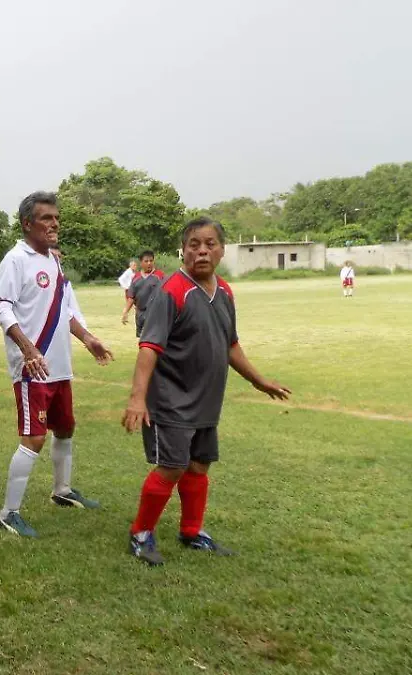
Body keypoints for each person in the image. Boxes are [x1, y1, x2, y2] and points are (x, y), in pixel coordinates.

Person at [121, 217, 291, 566]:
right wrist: (137, 399)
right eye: (194, 244)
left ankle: (191, 531)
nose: (201, 251)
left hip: (206, 400)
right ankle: (140, 534)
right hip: (170, 399)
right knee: (171, 467)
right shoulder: (171, 291)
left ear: (222, 250)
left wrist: (258, 380)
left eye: (210, 244)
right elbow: (149, 347)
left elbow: (230, 345)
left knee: (199, 466)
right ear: (182, 251)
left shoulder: (225, 291)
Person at [0, 192, 114, 538]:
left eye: (56, 218)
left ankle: (62, 490)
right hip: (33, 367)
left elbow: (63, 309)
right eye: (47, 218)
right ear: (27, 223)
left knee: (66, 428)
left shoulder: (53, 262)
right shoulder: (15, 260)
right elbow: (2, 307)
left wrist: (87, 338)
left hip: (59, 365)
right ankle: (8, 512)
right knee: (34, 438)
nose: (55, 223)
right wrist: (28, 349)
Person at [121, 250, 166, 337]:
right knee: (142, 339)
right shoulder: (136, 278)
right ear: (141, 263)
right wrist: (125, 311)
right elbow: (131, 297)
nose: (149, 263)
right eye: (146, 261)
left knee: (153, 339)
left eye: (151, 261)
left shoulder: (160, 276)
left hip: (155, 314)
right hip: (140, 314)